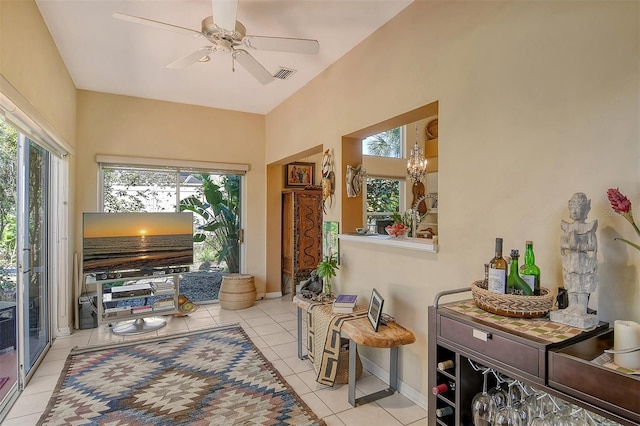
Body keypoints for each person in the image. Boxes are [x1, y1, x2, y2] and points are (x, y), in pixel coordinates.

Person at [551, 192, 599, 328]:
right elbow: (562, 244)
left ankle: (582, 308)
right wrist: (569, 246)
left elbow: (593, 247)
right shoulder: (567, 227)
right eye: (573, 207)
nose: (575, 211)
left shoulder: (588, 228)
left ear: (586, 210)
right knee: (571, 283)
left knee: (581, 283)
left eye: (579, 207)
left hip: (582, 261)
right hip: (570, 260)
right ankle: (572, 305)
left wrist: (579, 246)